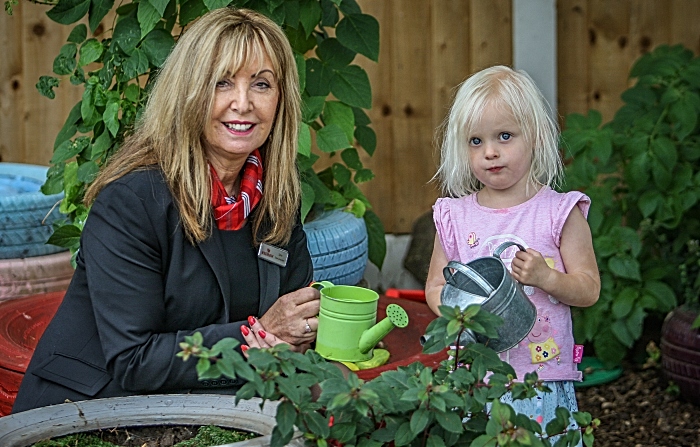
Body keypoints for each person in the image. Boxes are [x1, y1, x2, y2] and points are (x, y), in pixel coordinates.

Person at [12, 7, 321, 413]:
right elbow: (133, 360)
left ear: (280, 100)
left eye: (261, 84)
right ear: (189, 92)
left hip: (202, 399)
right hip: (88, 409)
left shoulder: (276, 199)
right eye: (221, 82)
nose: (242, 103)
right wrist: (256, 334)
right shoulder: (132, 203)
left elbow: (289, 330)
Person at [425, 66, 600, 436]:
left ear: (534, 136)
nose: (490, 152)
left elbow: (589, 288)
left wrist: (546, 278)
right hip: (474, 380)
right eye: (476, 141)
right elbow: (436, 288)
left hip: (540, 379)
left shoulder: (558, 213)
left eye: (505, 136)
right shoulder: (455, 216)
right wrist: (464, 317)